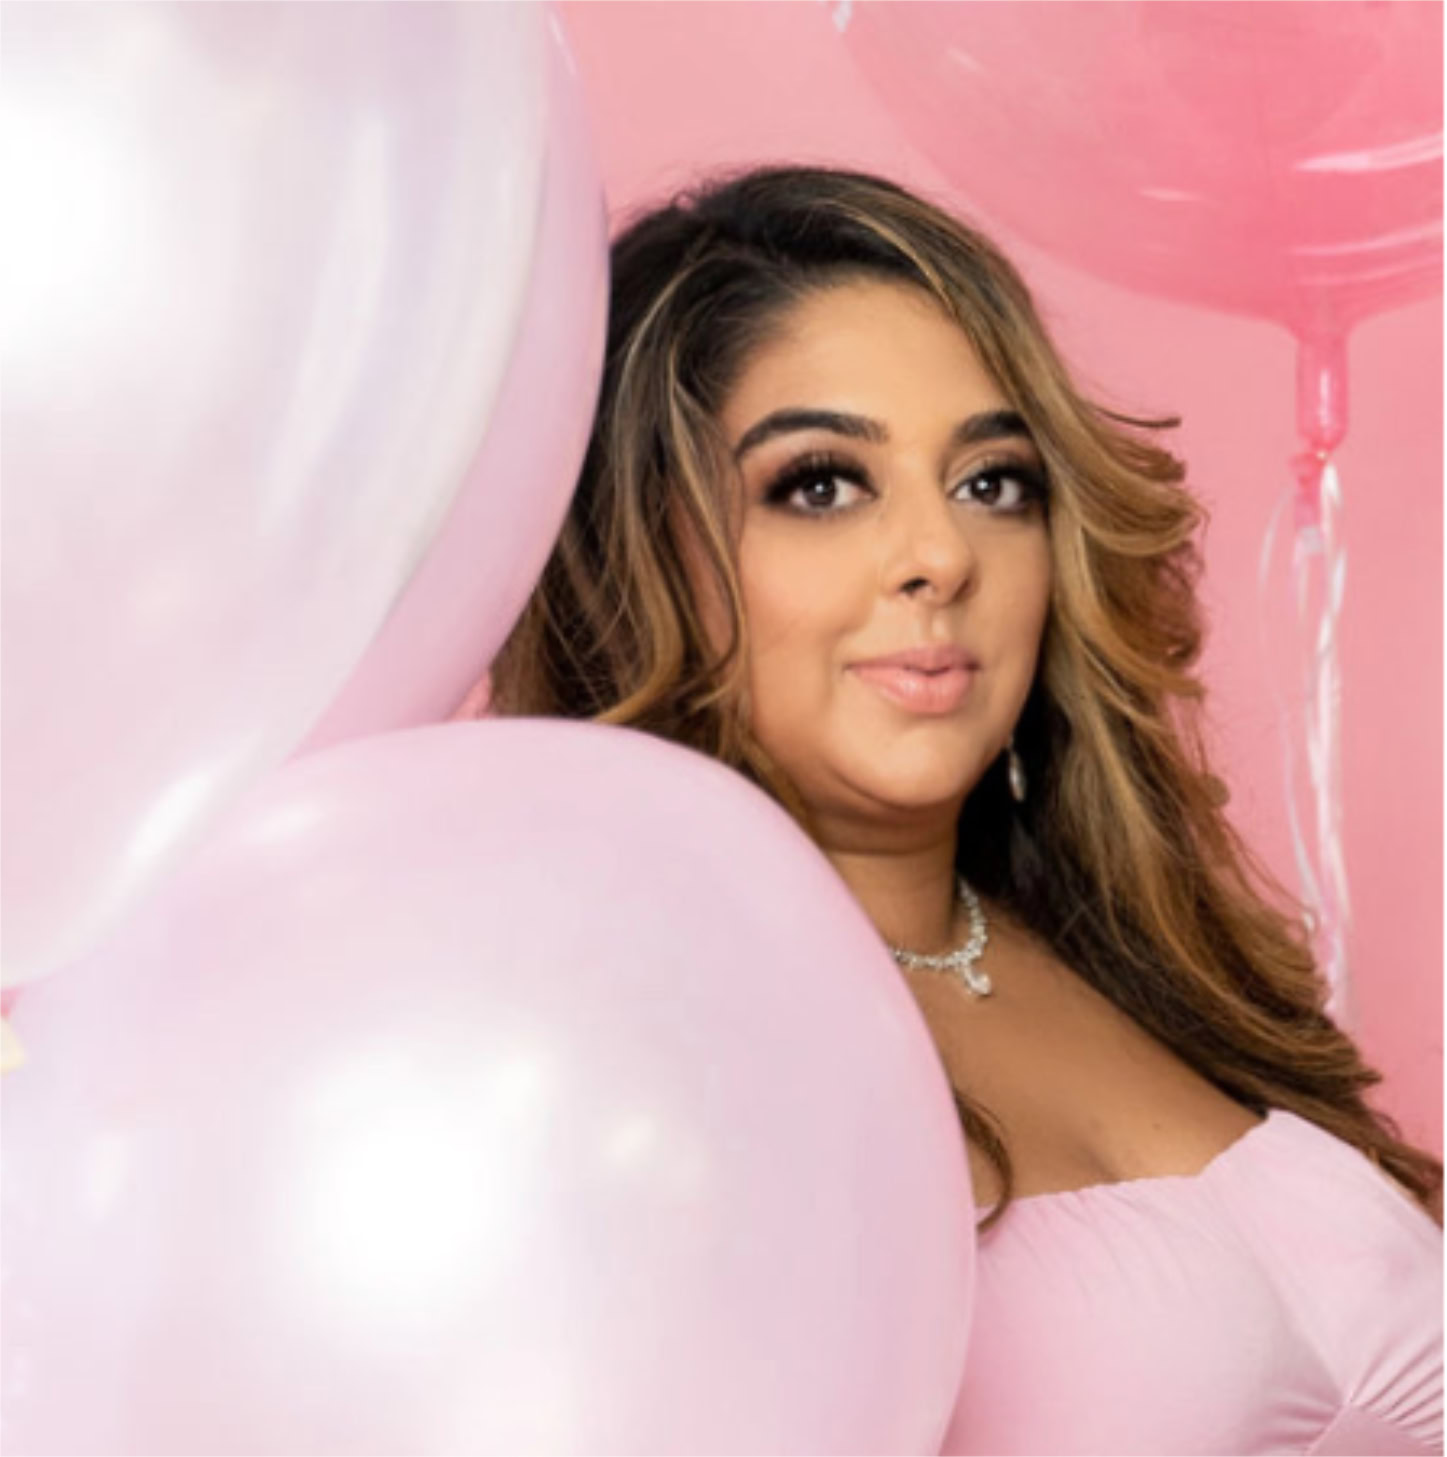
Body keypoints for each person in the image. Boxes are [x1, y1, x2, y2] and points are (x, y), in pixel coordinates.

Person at [486, 165, 1443, 1454]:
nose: (941, 555)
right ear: (636, 555)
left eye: (994, 481)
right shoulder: (629, 1061)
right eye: (821, 483)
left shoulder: (1141, 957)